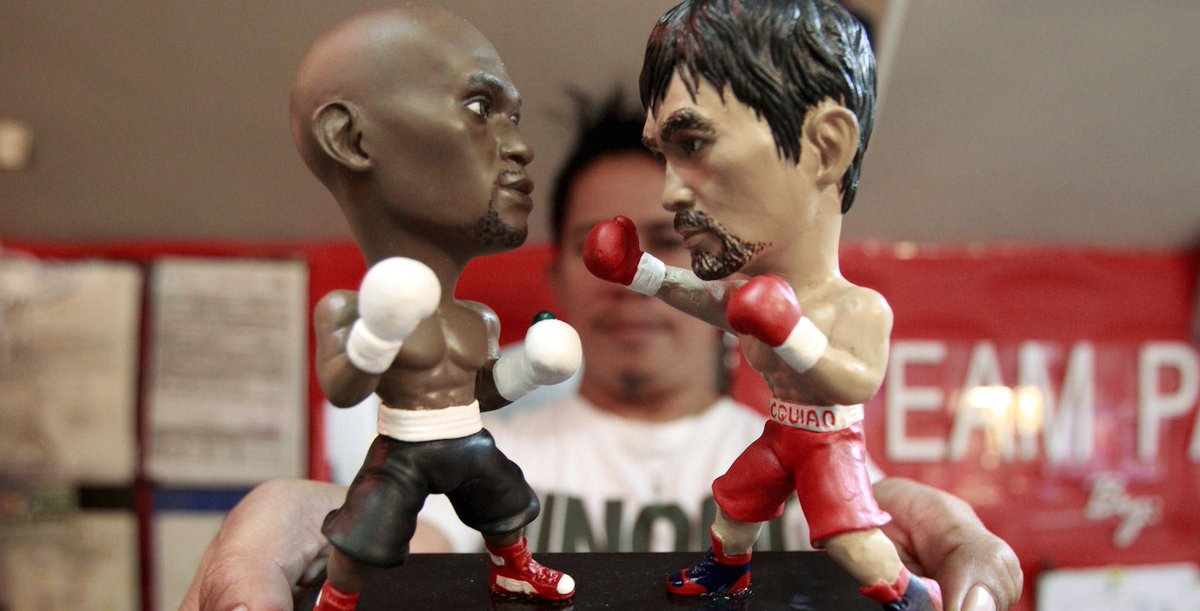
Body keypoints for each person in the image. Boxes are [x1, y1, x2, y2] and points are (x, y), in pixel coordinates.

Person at [182, 97, 1022, 611]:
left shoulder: (795, 438)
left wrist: (899, 523)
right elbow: (425, 549)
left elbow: (854, 506)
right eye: (603, 247)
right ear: (554, 272)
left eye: (667, 241)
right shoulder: (492, 442)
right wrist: (319, 521)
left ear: (718, 261)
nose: (630, 284)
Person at [584, 0, 951, 609]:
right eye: (663, 154)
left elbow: (857, 382)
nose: (670, 192)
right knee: (736, 501)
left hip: (830, 442)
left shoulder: (857, 308)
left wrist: (790, 332)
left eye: (693, 142)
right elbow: (704, 300)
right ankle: (728, 571)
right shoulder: (749, 298)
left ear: (825, 146)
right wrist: (640, 272)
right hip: (783, 431)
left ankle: (913, 596)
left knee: (850, 538)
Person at [288, 7, 581, 609]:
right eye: (478, 106)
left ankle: (515, 569)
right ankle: (337, 599)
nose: (521, 146)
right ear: (352, 140)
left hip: (466, 441)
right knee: (366, 531)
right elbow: (345, 388)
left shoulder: (478, 319)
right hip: (401, 449)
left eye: (514, 118)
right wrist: (379, 331)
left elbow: (483, 390)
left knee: (505, 503)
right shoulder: (350, 310)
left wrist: (531, 370)